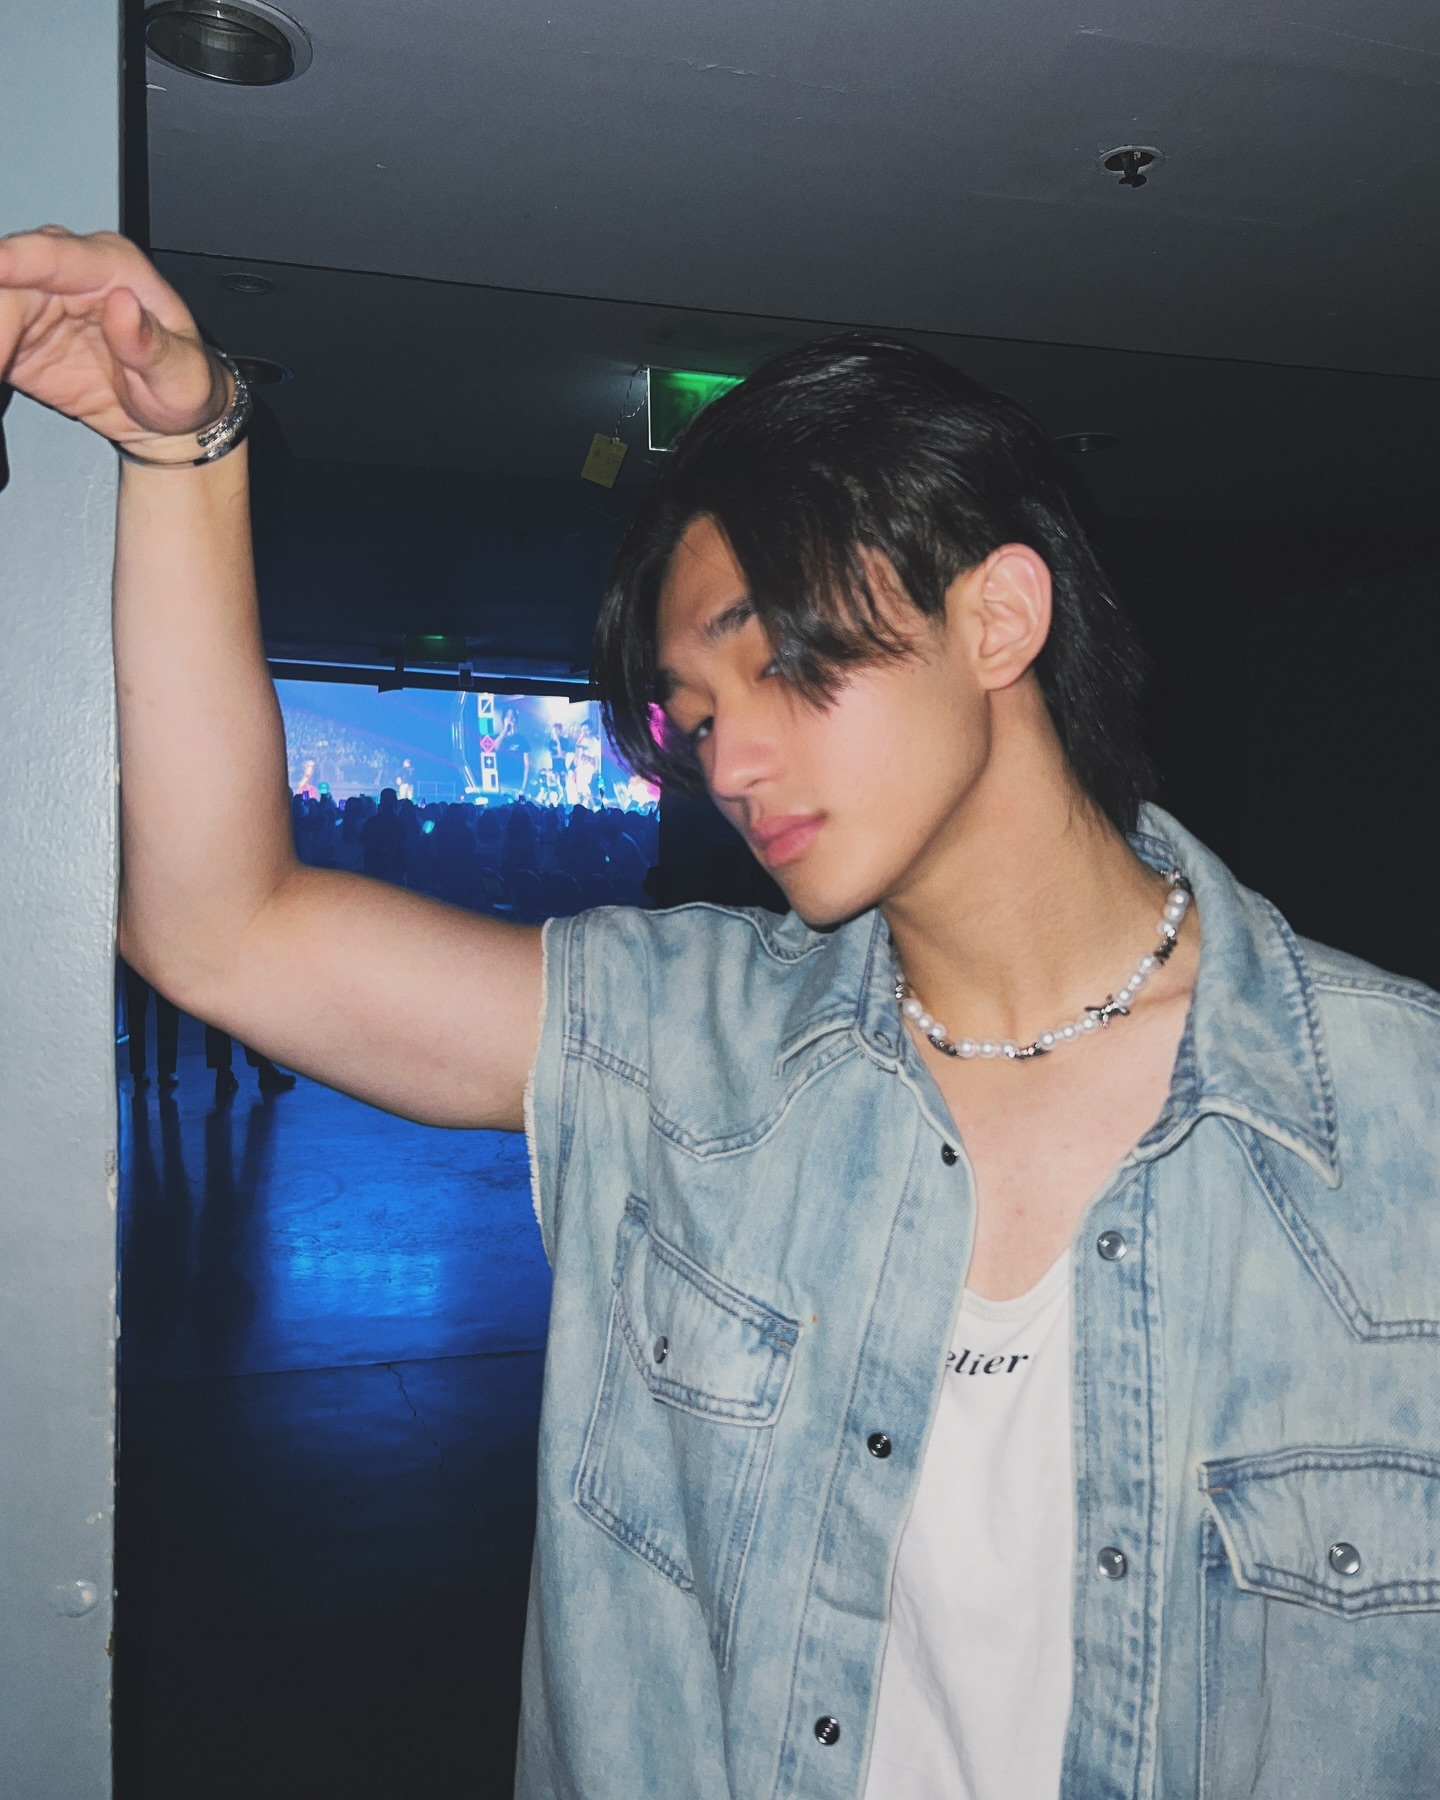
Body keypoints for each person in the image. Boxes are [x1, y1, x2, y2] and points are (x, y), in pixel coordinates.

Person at [4, 227, 1437, 1800]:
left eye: (783, 665)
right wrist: (187, 447)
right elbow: (221, 932)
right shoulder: (683, 1046)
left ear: (998, 618)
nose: (729, 764)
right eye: (691, 719)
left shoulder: (1396, 1130)